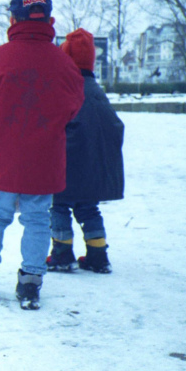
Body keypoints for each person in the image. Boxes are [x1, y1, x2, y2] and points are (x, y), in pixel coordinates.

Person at [0, 0, 85, 310]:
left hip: (3, 153)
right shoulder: (63, 64)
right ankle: (30, 283)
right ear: (49, 18)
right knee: (37, 218)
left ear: (13, 17)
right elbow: (74, 106)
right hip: (44, 156)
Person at [47, 28, 125, 274]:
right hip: (92, 167)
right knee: (89, 208)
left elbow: (53, 124)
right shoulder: (96, 91)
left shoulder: (65, 89)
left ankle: (62, 254)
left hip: (66, 165)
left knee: (59, 206)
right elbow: (114, 126)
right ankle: (98, 254)